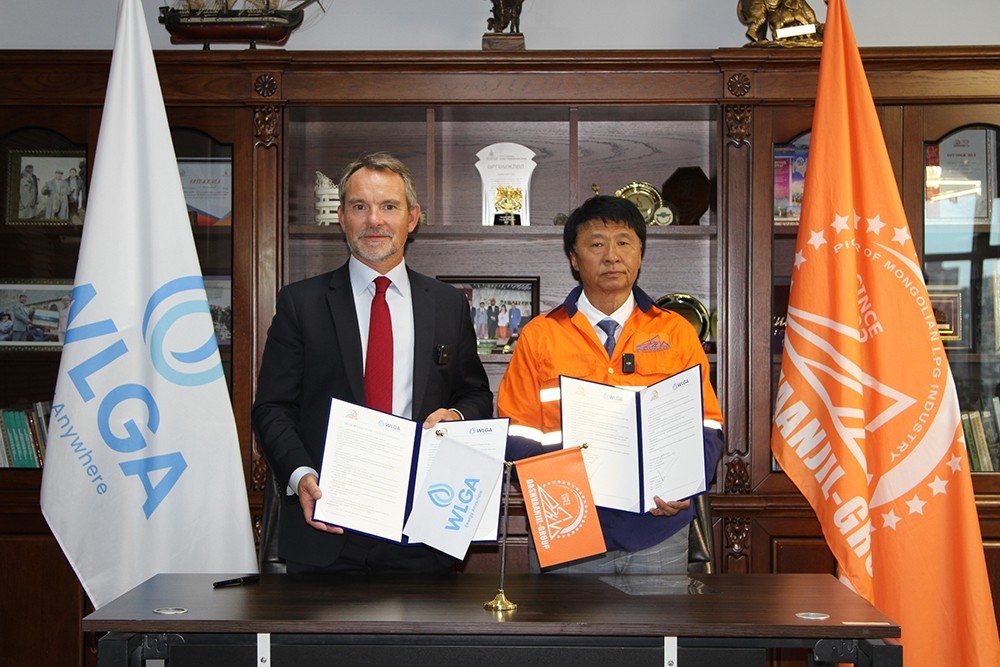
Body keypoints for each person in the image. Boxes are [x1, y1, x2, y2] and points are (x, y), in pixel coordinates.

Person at [252, 152, 493, 576]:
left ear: (412, 217)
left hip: (423, 530)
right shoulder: (300, 303)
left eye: (389, 206)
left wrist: (455, 417)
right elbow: (272, 408)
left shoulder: (447, 305)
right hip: (325, 525)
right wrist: (300, 474)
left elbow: (475, 394)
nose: (374, 220)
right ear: (342, 217)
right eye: (360, 206)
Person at [498, 195, 724, 574]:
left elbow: (707, 425)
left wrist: (683, 483)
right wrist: (567, 496)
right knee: (564, 618)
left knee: (662, 618)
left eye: (624, 242)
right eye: (597, 244)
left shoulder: (676, 332)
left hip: (657, 530)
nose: (612, 256)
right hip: (568, 528)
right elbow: (519, 434)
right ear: (574, 258)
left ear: (640, 254)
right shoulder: (540, 335)